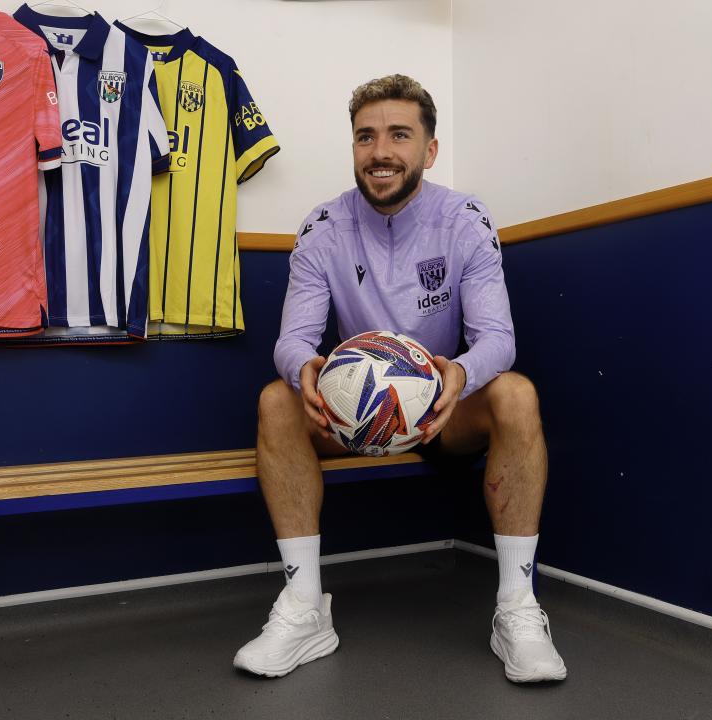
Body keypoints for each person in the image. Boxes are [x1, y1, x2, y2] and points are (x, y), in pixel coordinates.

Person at [232, 74, 567, 683]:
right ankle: (305, 609)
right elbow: (293, 340)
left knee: (517, 393)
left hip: (444, 409)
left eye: (398, 135)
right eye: (366, 136)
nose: (380, 151)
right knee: (275, 402)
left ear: (429, 149)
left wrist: (457, 376)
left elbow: (499, 338)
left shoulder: (465, 218)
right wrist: (302, 369)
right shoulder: (322, 227)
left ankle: (516, 610)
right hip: (355, 414)